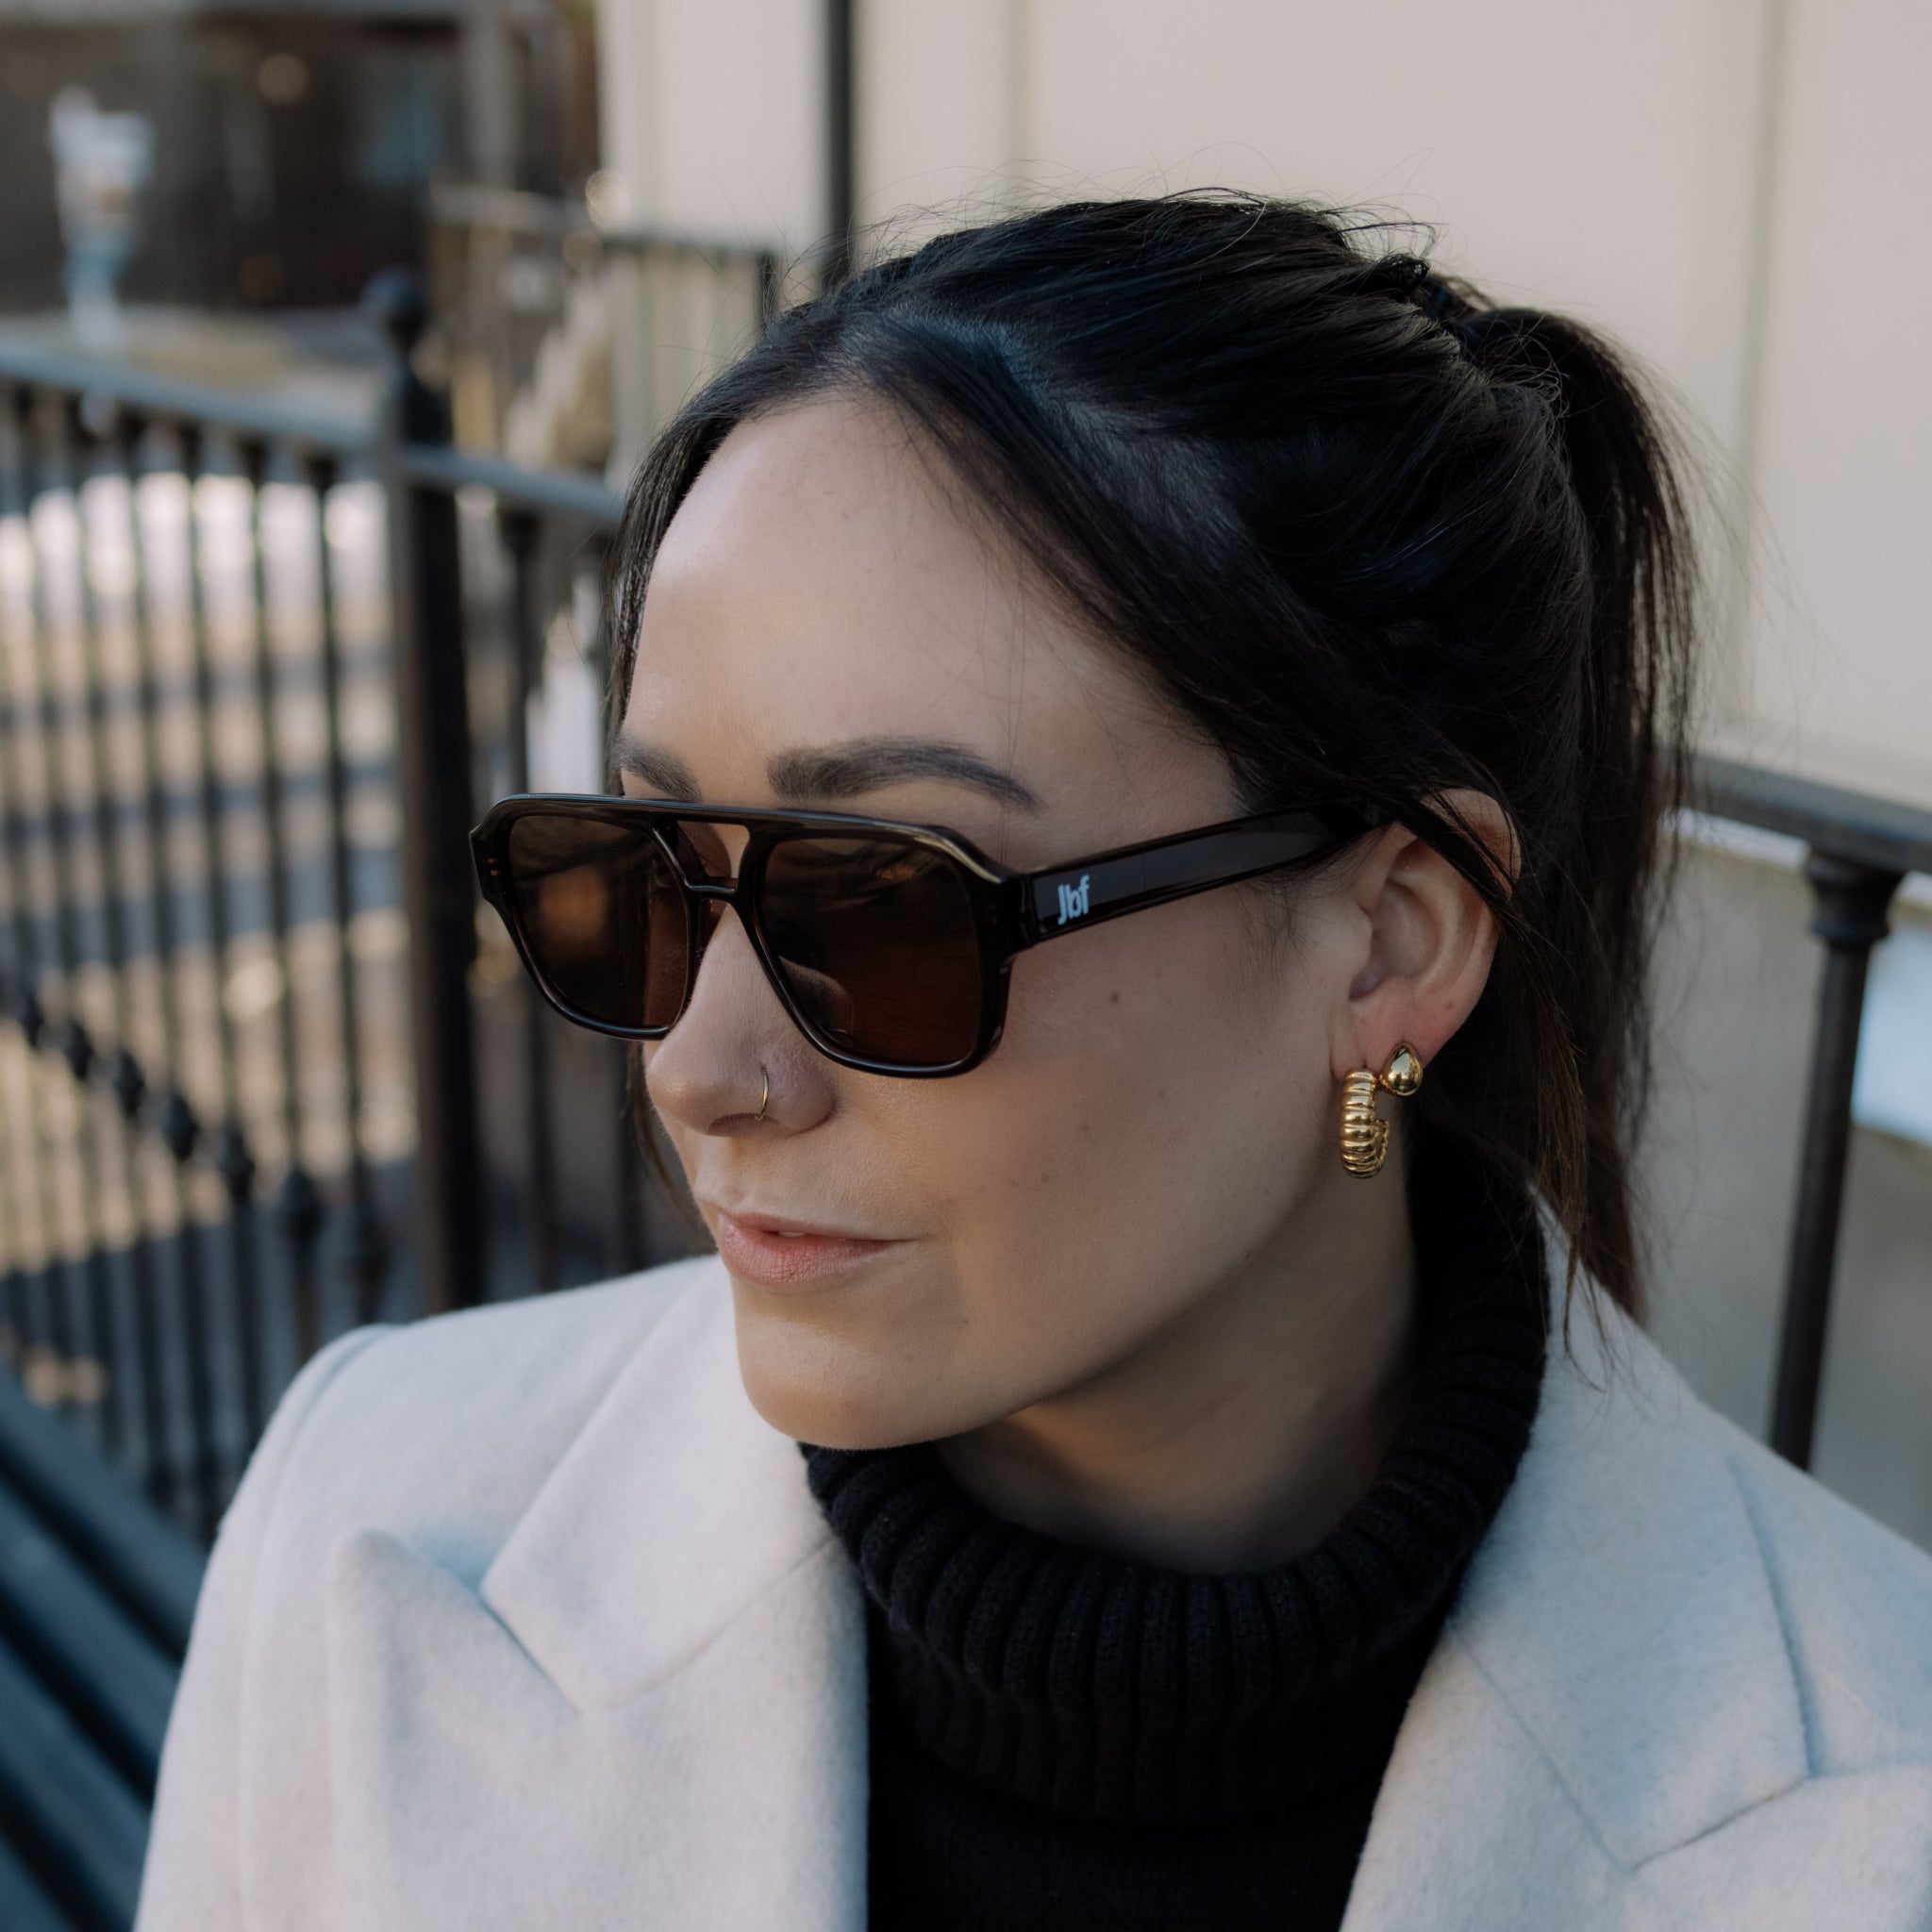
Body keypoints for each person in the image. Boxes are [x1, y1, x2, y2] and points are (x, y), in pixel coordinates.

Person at [137, 196, 1932, 1931]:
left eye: (884, 905)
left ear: (1394, 938)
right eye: (645, 870)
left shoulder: (1878, 1794)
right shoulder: (368, 1538)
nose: (703, 1065)